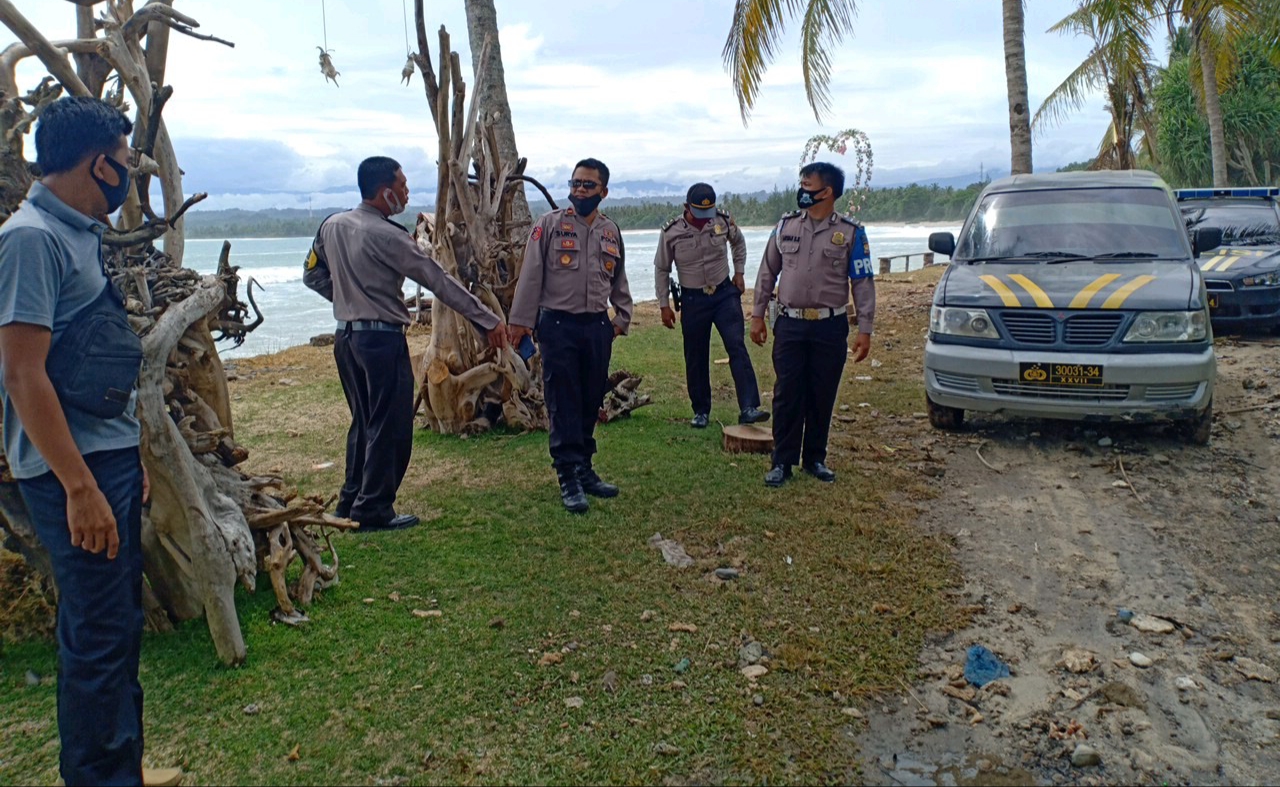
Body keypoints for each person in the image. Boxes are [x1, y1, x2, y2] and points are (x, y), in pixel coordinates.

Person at [0, 96, 178, 787]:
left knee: (117, 623)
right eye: (127, 161)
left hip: (104, 457)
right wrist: (79, 486)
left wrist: (127, 452)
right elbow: (21, 372)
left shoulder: (77, 231)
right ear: (97, 161)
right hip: (70, 473)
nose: (130, 174)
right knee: (97, 637)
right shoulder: (30, 238)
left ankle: (119, 761)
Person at [304, 156, 506, 531]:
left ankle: (350, 501)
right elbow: (439, 282)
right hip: (380, 341)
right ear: (385, 193)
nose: (407, 192)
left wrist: (347, 299)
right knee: (391, 426)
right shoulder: (390, 236)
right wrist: (487, 319)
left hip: (346, 338)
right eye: (403, 186)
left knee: (364, 421)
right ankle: (374, 509)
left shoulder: (331, 225)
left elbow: (311, 274)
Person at [508, 158, 633, 513]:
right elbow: (530, 276)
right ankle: (567, 476)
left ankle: (585, 468)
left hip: (596, 327)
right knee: (563, 401)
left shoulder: (611, 231)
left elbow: (618, 279)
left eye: (588, 185)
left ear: (603, 192)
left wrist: (622, 317)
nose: (579, 190)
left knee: (590, 399)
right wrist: (521, 322)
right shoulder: (548, 225)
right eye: (575, 183)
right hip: (558, 327)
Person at [750, 162, 876, 488]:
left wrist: (865, 328)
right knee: (787, 393)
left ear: (828, 191)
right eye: (802, 185)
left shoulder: (851, 232)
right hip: (790, 324)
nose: (803, 191)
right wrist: (757, 314)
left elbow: (862, 282)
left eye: (809, 186)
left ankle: (815, 458)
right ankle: (782, 461)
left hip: (829, 326)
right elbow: (767, 272)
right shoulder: (785, 226)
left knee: (822, 393)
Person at [655, 183, 768, 429]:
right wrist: (664, 304)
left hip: (724, 294)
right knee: (695, 355)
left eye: (709, 212)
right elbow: (662, 268)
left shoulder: (723, 221)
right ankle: (701, 410)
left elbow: (739, 243)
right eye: (699, 213)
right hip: (693, 299)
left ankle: (749, 406)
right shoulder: (671, 232)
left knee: (736, 346)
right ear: (686, 207)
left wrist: (739, 273)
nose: (705, 219)